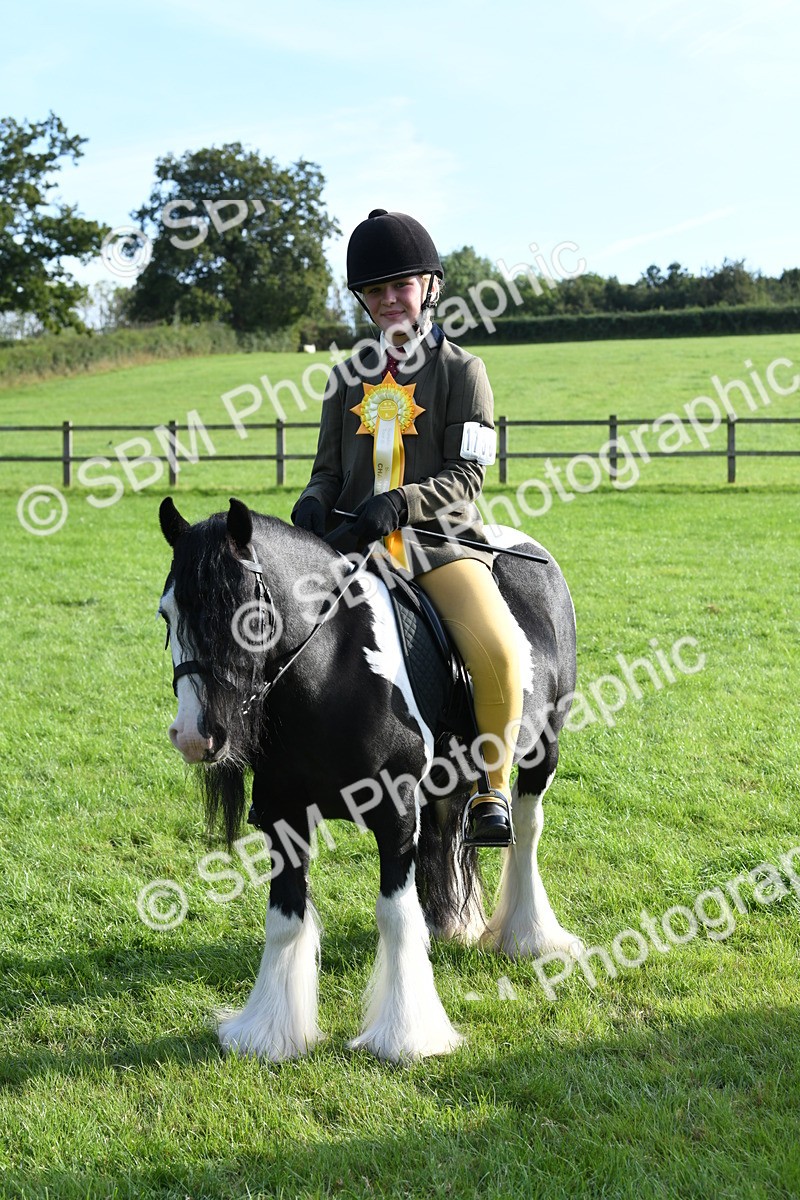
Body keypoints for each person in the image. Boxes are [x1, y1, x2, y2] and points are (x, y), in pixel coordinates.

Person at [291, 208, 522, 846]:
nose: (390, 299)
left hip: (438, 544)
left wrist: (401, 503)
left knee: (499, 652)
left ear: (428, 288)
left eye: (401, 286)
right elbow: (326, 471)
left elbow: (468, 477)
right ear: (364, 301)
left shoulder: (463, 373)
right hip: (352, 548)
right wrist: (313, 501)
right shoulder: (344, 379)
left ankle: (492, 791)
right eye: (376, 290)